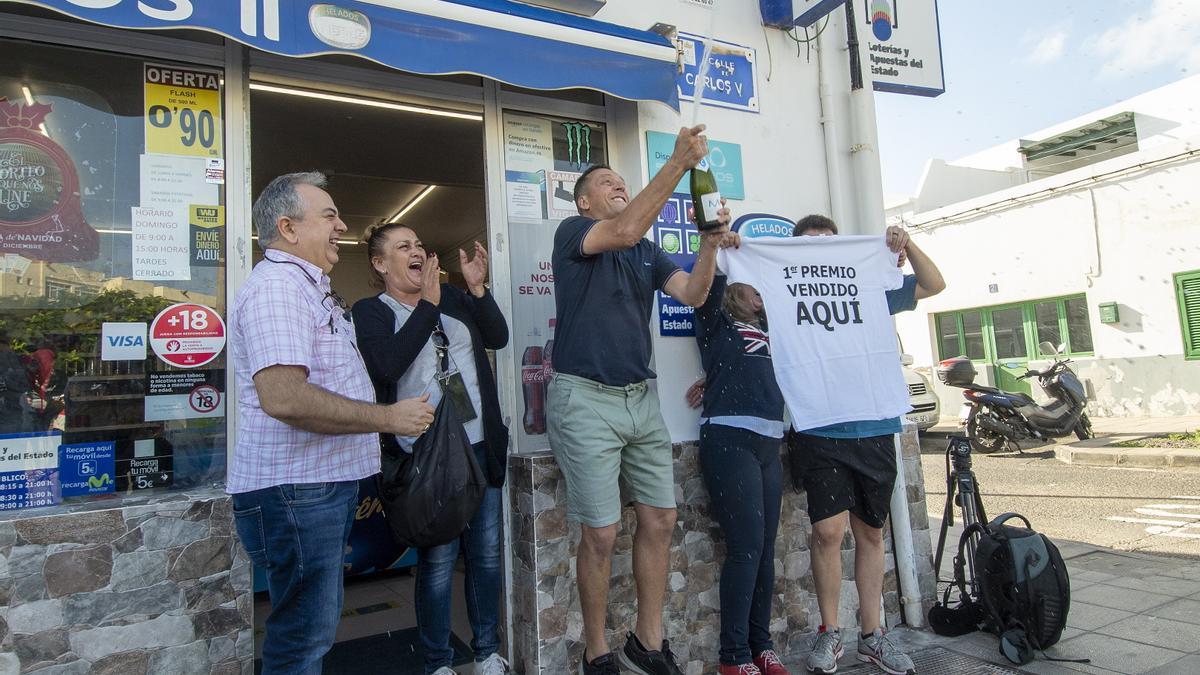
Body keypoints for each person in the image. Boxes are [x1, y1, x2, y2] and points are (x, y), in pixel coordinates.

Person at [228, 172, 435, 675]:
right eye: (329, 215)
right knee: (303, 638)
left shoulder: (306, 288)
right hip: (298, 492)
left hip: (314, 490)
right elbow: (285, 398)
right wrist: (387, 417)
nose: (342, 225)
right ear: (288, 228)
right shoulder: (278, 288)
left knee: (308, 630)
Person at [549, 124, 731, 675]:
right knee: (601, 532)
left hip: (640, 399)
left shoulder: (647, 251)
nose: (618, 186)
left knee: (660, 519)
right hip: (584, 398)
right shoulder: (573, 232)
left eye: (621, 181)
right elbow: (624, 229)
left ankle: (646, 644)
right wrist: (677, 163)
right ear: (585, 201)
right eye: (607, 182)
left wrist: (708, 243)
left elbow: (695, 295)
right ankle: (596, 651)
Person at [351, 222, 511, 675]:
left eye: (419, 243)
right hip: (426, 455)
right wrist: (428, 307)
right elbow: (387, 366)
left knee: (484, 554)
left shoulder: (454, 298)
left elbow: (496, 336)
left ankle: (485, 652)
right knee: (439, 559)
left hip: (478, 444)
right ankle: (438, 661)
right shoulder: (372, 312)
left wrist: (477, 290)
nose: (417, 250)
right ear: (381, 264)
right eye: (404, 247)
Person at [789, 215, 945, 675]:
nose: (821, 250)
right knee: (827, 533)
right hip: (819, 426)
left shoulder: (872, 286)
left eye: (829, 243)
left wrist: (907, 245)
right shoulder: (789, 286)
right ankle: (829, 632)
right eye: (810, 244)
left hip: (874, 425)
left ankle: (873, 635)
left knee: (871, 533)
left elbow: (934, 285)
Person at [687, 249, 790, 675]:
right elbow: (702, 283)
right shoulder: (716, 320)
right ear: (735, 288)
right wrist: (716, 244)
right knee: (746, 549)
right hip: (729, 439)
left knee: (765, 550)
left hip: (770, 443)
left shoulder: (777, 327)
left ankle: (760, 645)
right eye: (753, 284)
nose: (761, 294)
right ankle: (734, 657)